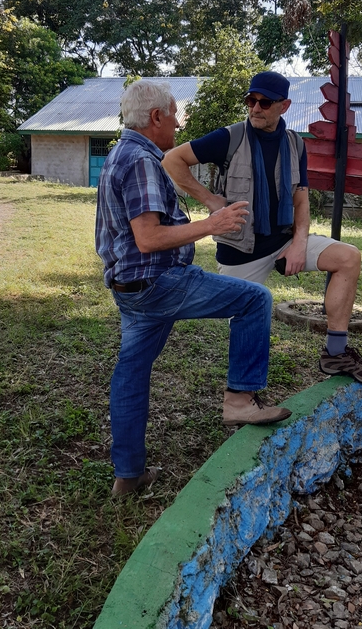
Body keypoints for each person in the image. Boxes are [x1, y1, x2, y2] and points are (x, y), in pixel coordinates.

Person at [95, 79, 292, 497]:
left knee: (131, 372)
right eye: (173, 115)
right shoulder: (142, 161)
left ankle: (128, 476)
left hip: (130, 289)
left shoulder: (121, 153)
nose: (178, 123)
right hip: (159, 283)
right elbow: (148, 238)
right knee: (255, 300)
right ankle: (240, 401)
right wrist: (211, 224)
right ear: (156, 117)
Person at [163, 70, 362, 388]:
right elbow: (172, 160)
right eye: (251, 100)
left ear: (284, 106)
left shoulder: (295, 144)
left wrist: (299, 244)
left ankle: (336, 353)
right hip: (240, 251)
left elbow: (301, 201)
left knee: (348, 256)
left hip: (282, 241)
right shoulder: (230, 137)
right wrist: (212, 201)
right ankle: (243, 394)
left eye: (265, 102)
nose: (255, 108)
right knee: (247, 317)